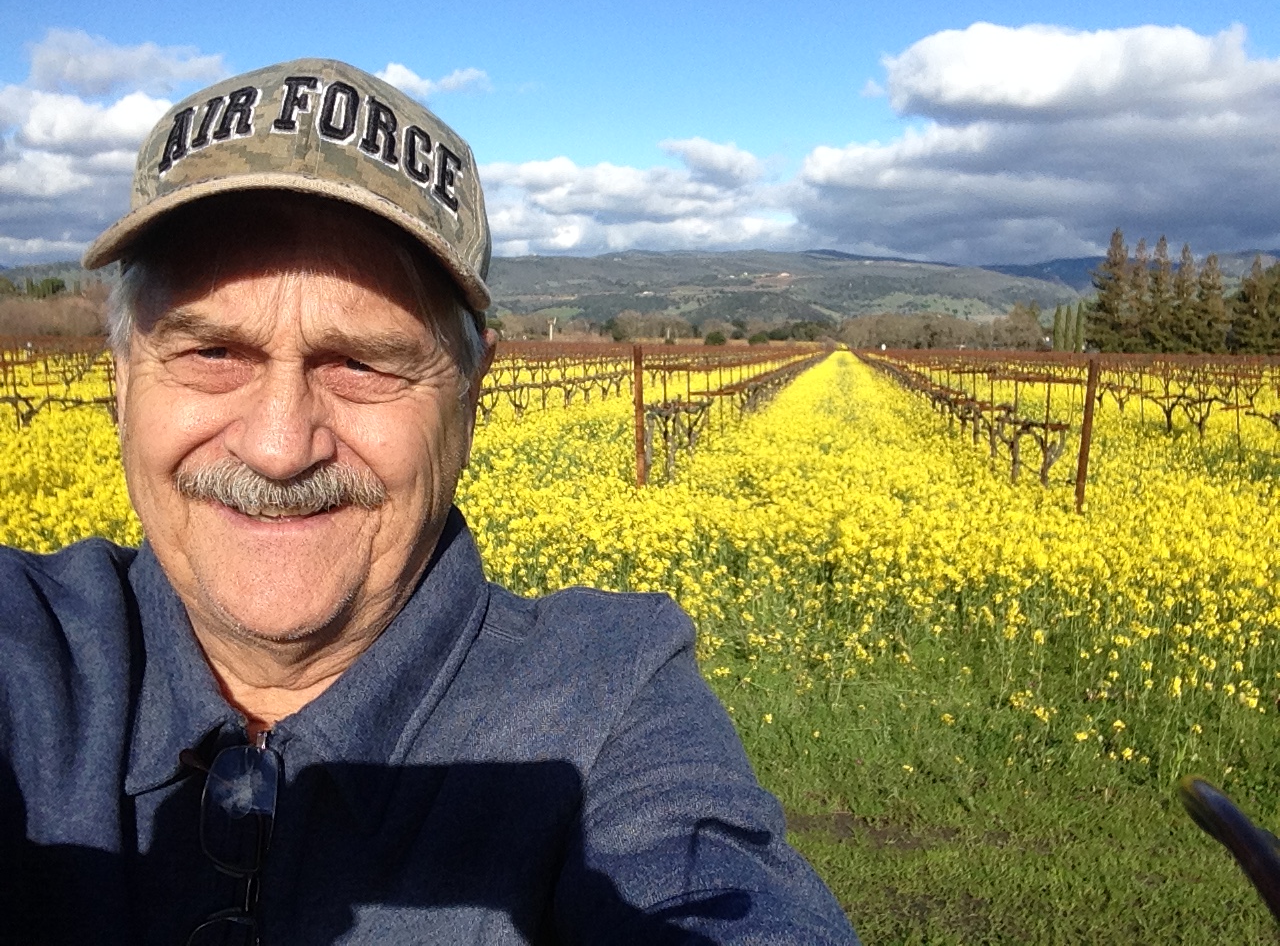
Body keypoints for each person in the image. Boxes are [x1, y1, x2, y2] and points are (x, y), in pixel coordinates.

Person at [0, 58, 859, 944]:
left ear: (471, 392)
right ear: (123, 378)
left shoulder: (602, 712)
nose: (278, 445)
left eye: (362, 362)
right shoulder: (28, 656)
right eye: (212, 351)